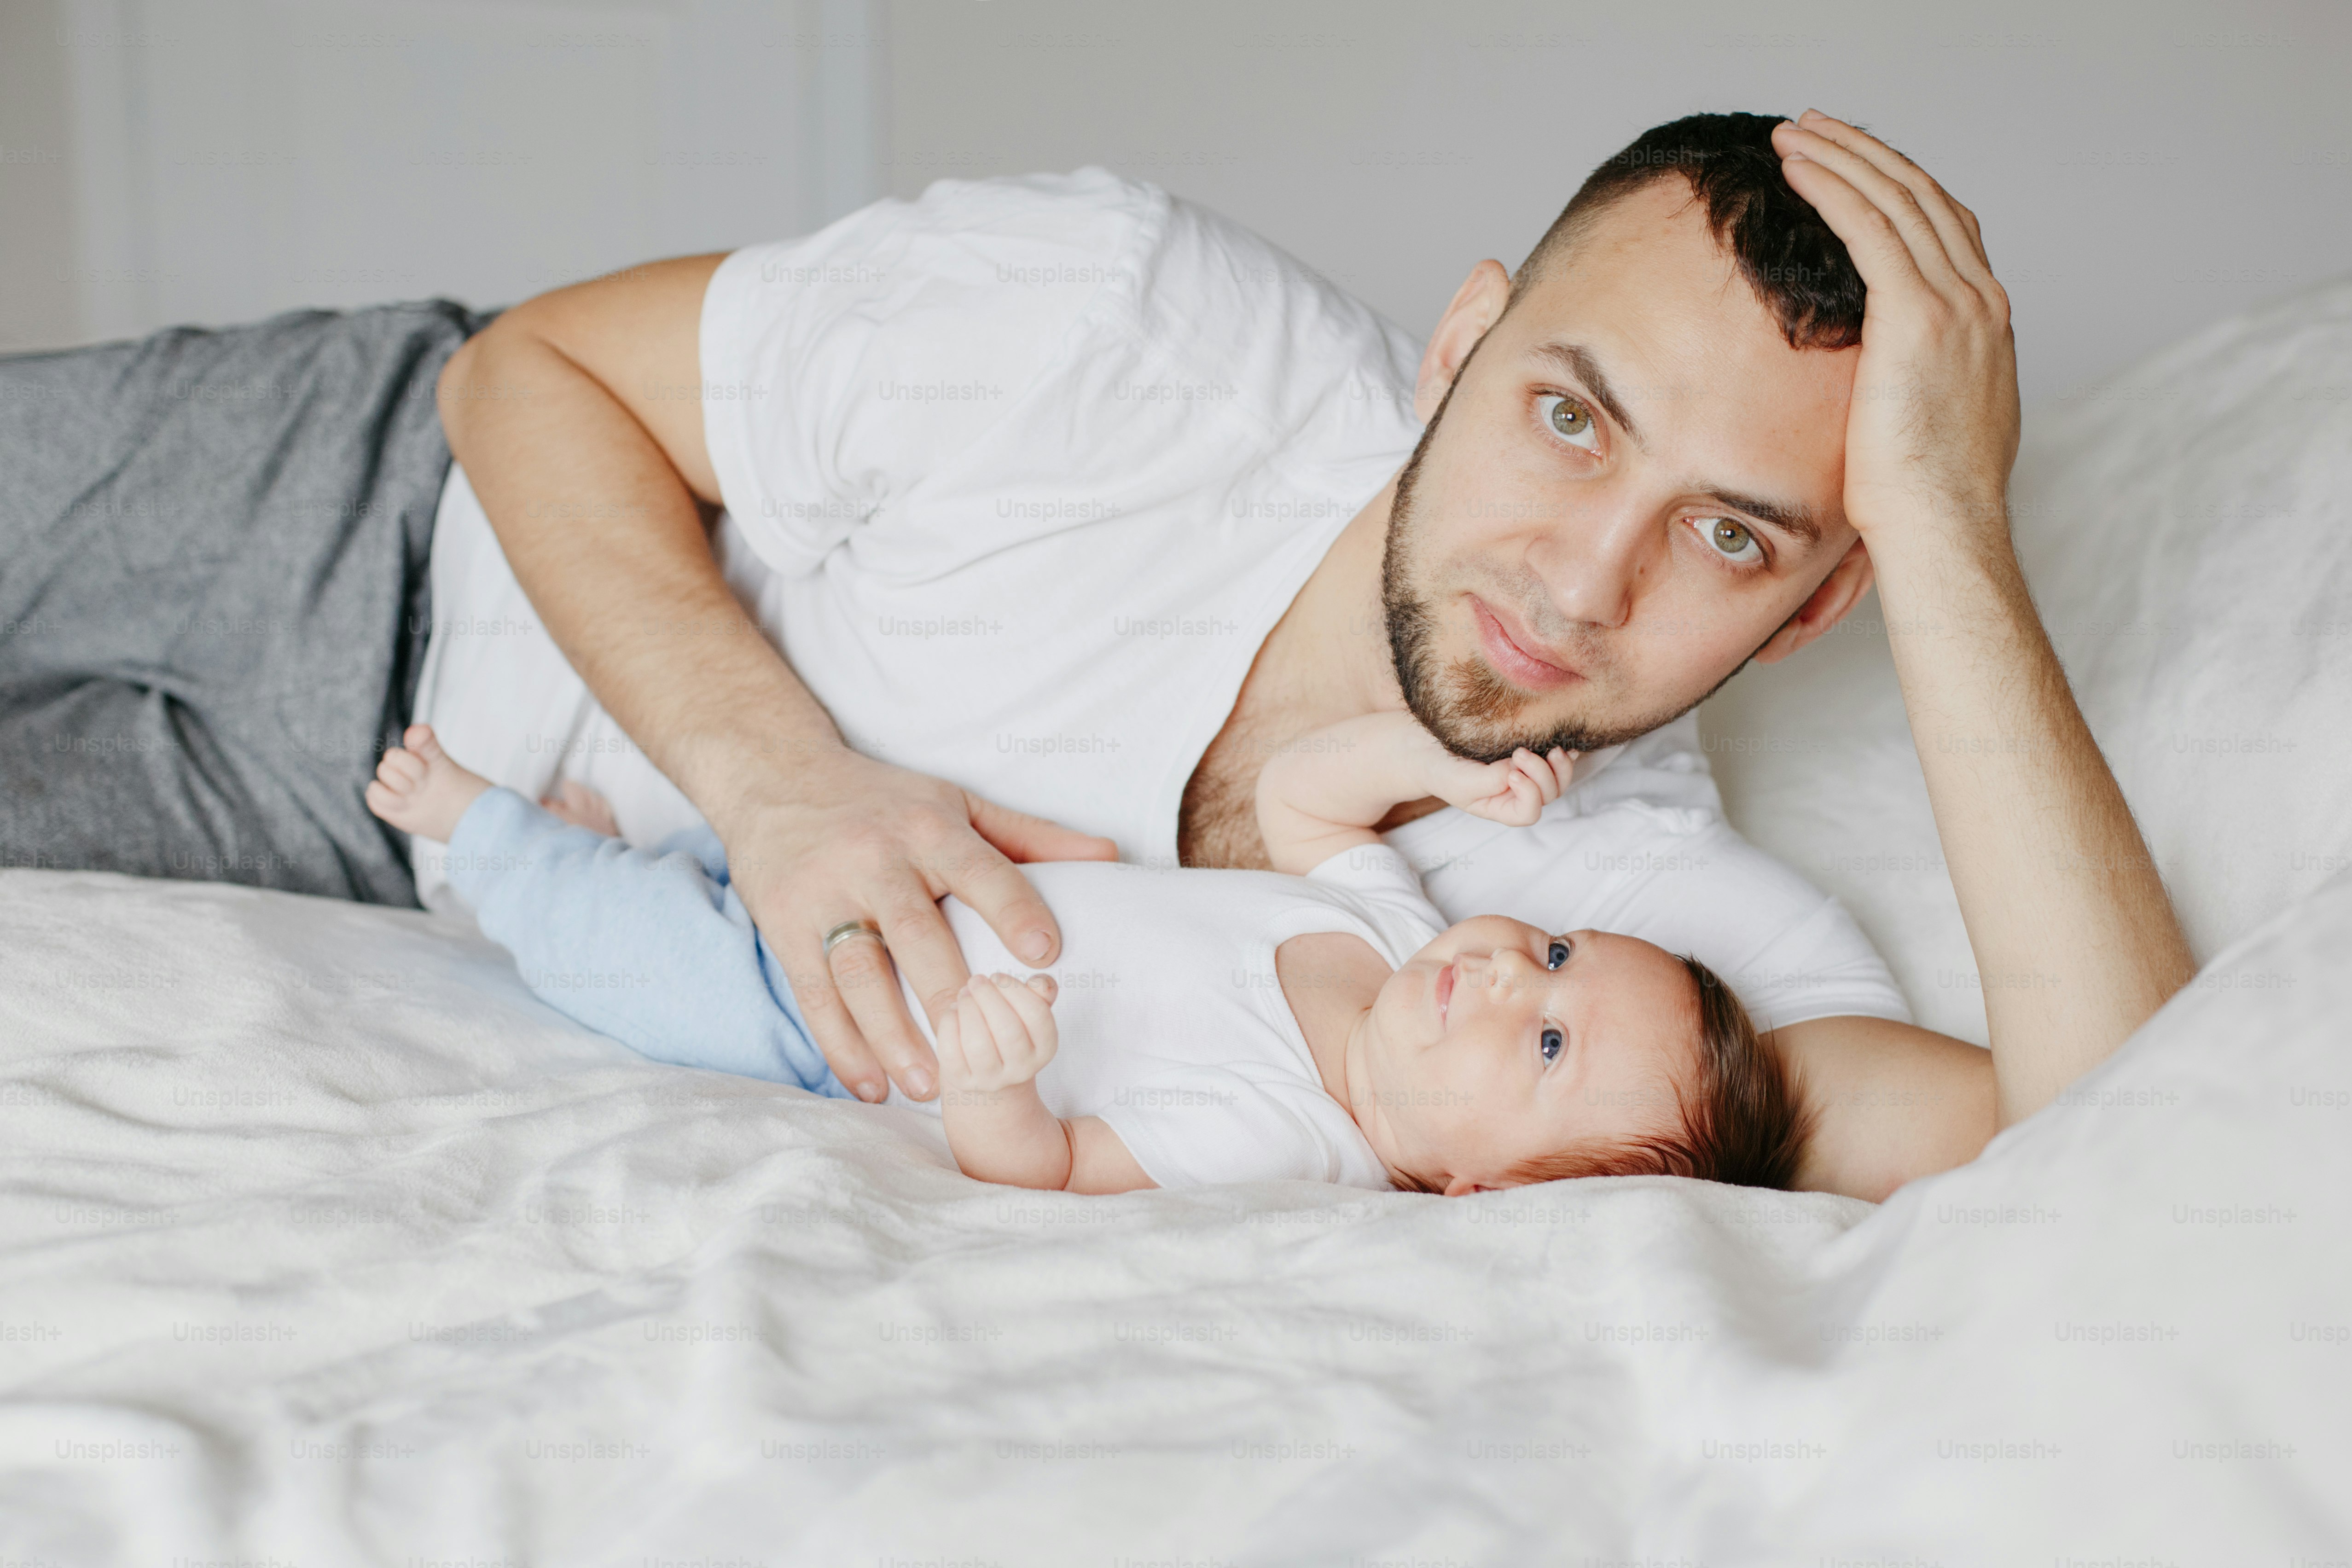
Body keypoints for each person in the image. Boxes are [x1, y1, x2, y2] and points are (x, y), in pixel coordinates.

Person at [0, 110, 2195, 1201]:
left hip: (378, 851)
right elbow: (522, 387)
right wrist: (781, 779)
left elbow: (2131, 1151)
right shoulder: (1119, 321)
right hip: (362, 487)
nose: (1585, 584)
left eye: (1730, 537)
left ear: (1818, 601)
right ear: (1455, 352)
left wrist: (1948, 525)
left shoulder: (1616, 927)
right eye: (1567, 413)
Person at [365, 708, 1804, 1196]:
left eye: (1548, 1042)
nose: (1511, 975)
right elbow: (1307, 794)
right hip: (934, 888)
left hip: (852, 1024)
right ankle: (628, 847)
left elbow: (1047, 1171)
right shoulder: (1390, 931)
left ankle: (487, 846)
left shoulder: (1288, 1132)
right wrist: (1440, 759)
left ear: (1476, 1183)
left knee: (657, 973)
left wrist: (994, 1081)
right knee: (746, 865)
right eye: (1556, 948)